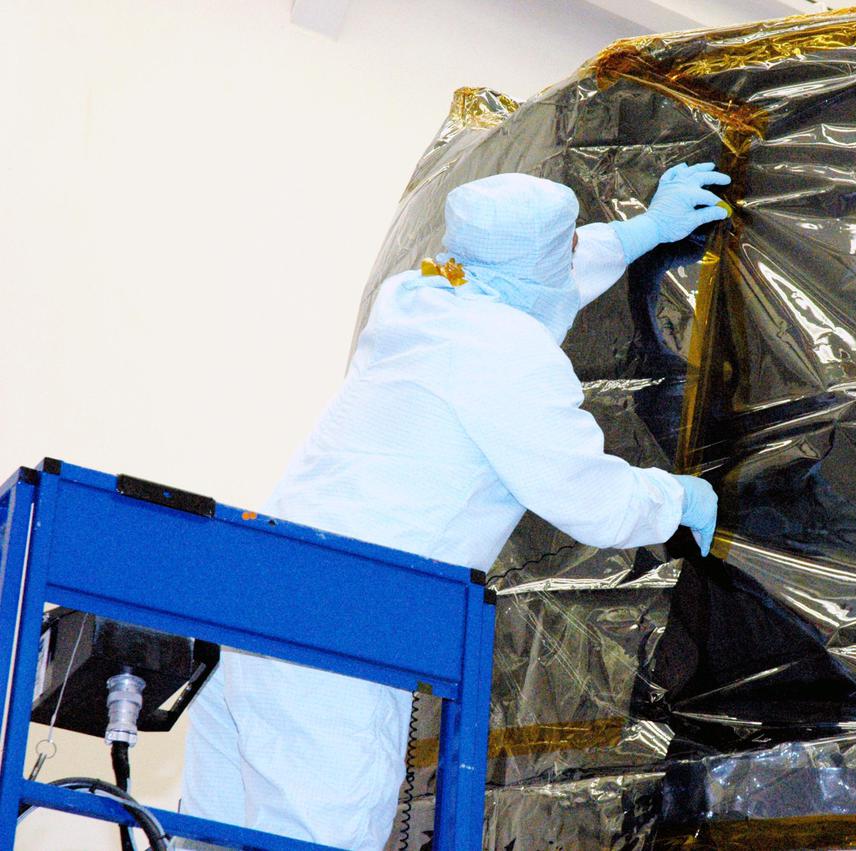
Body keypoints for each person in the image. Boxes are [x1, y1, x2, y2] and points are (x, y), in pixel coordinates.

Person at [178, 162, 730, 849]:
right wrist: (678, 497)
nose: (571, 259)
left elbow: (538, 273)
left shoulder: (413, 298)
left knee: (209, 834)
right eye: (564, 247)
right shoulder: (510, 355)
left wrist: (642, 230)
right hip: (338, 628)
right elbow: (589, 498)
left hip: (251, 599)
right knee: (320, 835)